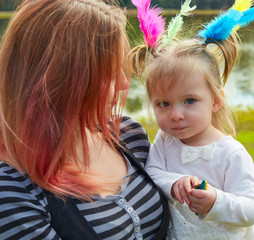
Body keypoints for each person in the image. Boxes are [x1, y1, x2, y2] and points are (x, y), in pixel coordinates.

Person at [0, 0, 169, 239]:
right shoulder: (11, 186)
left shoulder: (129, 135)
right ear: (61, 79)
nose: (123, 84)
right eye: (108, 74)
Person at [130, 1, 254, 239]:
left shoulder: (231, 154)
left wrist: (216, 201)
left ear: (215, 100)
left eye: (190, 101)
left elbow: (252, 209)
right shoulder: (165, 140)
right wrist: (175, 184)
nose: (175, 115)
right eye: (163, 104)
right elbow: (152, 172)